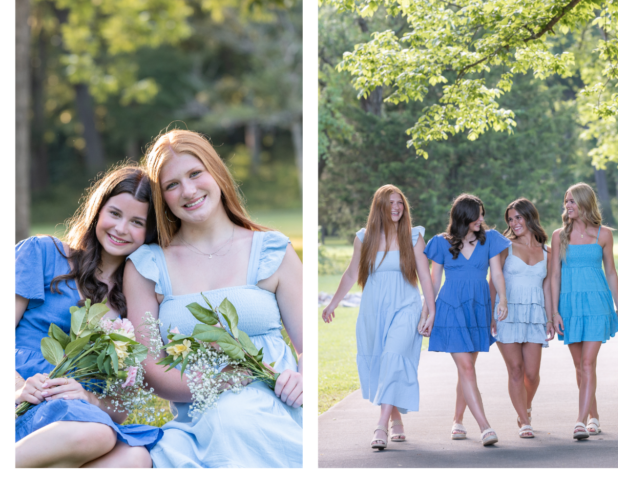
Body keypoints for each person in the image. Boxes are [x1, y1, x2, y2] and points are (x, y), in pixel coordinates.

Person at [123, 130, 302, 467]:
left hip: (277, 405)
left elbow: (308, 346)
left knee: (238, 415)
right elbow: (152, 369)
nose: (188, 191)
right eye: (171, 185)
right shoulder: (147, 266)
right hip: (200, 421)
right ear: (162, 198)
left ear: (216, 172)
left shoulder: (272, 250)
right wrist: (218, 382)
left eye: (195, 173)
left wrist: (301, 378)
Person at [15, 165, 162, 467]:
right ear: (98, 209)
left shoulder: (134, 304)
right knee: (99, 436)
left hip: (77, 416)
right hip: (19, 394)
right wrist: (16, 389)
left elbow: (121, 407)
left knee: (136, 458)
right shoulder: (43, 253)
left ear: (150, 233)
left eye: (137, 222)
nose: (121, 229)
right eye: (115, 213)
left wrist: (88, 397)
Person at [321, 185, 435, 450]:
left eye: (400, 203)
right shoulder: (364, 238)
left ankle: (381, 425)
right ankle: (396, 419)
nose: (397, 208)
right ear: (379, 207)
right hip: (374, 311)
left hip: (406, 307)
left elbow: (425, 276)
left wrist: (430, 310)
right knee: (385, 363)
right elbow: (351, 274)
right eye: (391, 203)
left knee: (394, 357)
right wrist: (332, 303)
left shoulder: (414, 237)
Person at [425, 193, 510, 446]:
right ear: (463, 216)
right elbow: (433, 281)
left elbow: (496, 273)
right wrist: (427, 312)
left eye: (482, 213)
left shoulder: (491, 239)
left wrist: (501, 300)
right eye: (477, 214)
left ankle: (457, 420)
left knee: (467, 370)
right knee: (467, 368)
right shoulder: (440, 243)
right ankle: (485, 427)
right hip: (451, 308)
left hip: (478, 308)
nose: (482, 218)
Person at [549, 183, 618, 441]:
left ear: (584, 203)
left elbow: (611, 272)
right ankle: (594, 416)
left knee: (588, 363)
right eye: (566, 201)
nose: (567, 205)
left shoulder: (604, 235)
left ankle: (580, 421)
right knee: (580, 367)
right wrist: (554, 312)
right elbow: (554, 276)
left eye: (572, 201)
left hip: (596, 304)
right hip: (569, 306)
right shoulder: (559, 236)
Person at [491, 198, 554, 438]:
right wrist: (491, 315)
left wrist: (549, 318)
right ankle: (524, 420)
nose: (514, 223)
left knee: (532, 374)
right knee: (515, 370)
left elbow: (547, 288)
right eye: (510, 219)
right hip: (506, 312)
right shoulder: (504, 246)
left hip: (534, 314)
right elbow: (493, 281)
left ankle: (525, 406)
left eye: (518, 217)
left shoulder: (546, 250)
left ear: (530, 216)